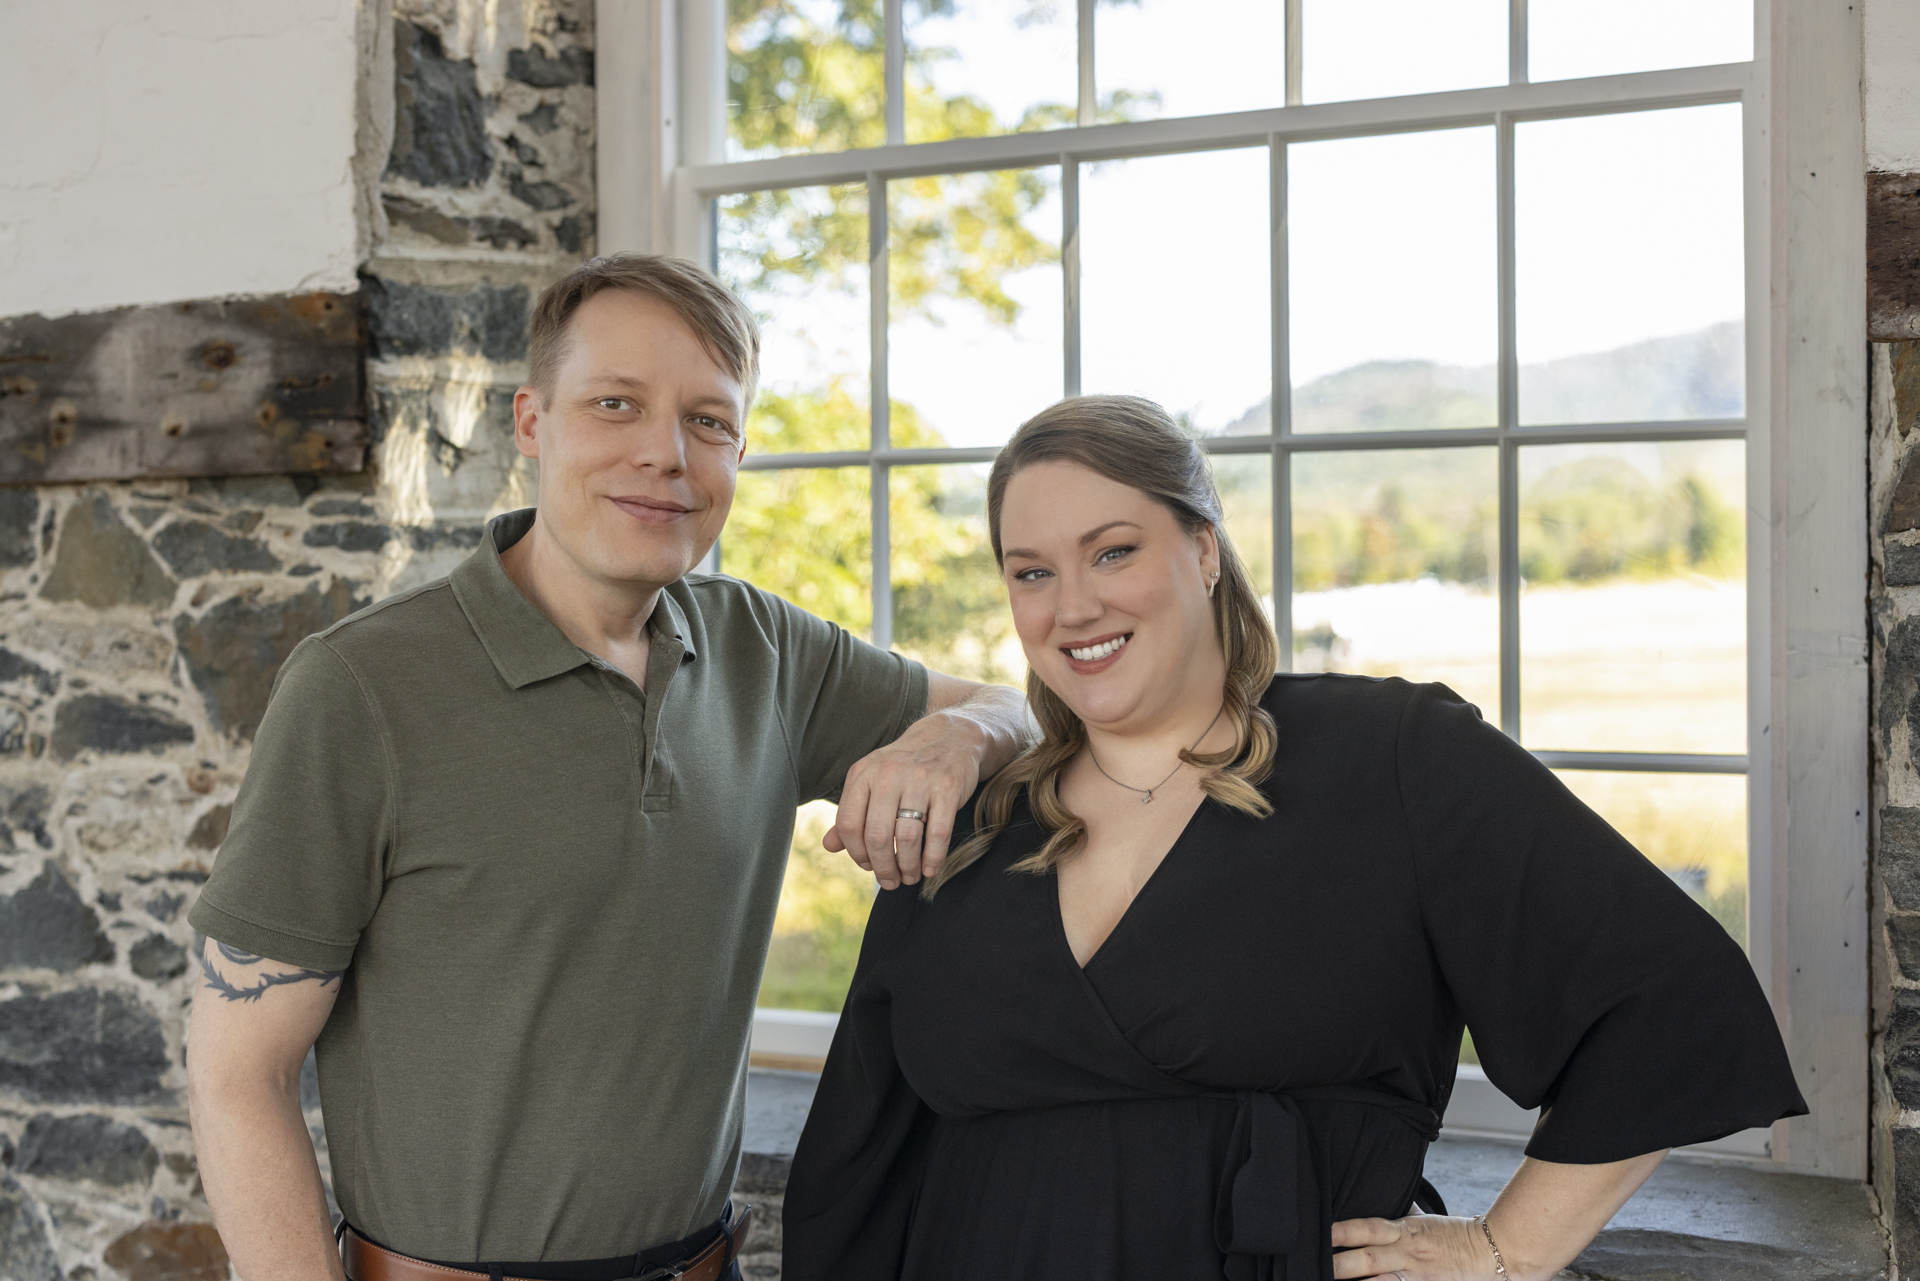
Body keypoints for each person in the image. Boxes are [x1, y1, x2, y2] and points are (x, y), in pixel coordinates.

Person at [782, 395, 1807, 1281]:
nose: (1074, 605)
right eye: (1031, 573)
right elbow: (865, 1154)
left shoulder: (1391, 757)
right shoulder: (974, 821)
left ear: (1203, 548)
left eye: (1113, 551)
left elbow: (1671, 1002)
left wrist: (1510, 1249)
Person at [183, 254, 1028, 1281]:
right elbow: (239, 1075)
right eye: (615, 404)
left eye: (708, 421)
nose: (666, 455)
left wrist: (960, 736)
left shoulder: (768, 652)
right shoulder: (361, 689)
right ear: (531, 422)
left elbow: (1018, 704)